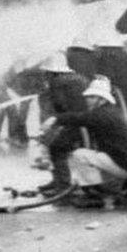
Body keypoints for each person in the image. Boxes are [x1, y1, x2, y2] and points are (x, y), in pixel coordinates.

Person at [42, 75, 127, 208]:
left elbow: (80, 118)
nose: (88, 100)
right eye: (88, 97)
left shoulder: (102, 114)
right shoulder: (111, 112)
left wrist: (55, 119)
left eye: (92, 97)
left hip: (124, 165)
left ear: (102, 99)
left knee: (79, 154)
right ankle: (119, 186)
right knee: (94, 157)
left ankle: (94, 193)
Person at [36, 52, 90, 195]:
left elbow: (60, 106)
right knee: (56, 144)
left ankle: (62, 185)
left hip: (76, 123)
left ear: (52, 72)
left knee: (56, 148)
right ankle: (59, 181)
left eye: (46, 72)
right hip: (86, 121)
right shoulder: (79, 78)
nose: (45, 75)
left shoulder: (58, 83)